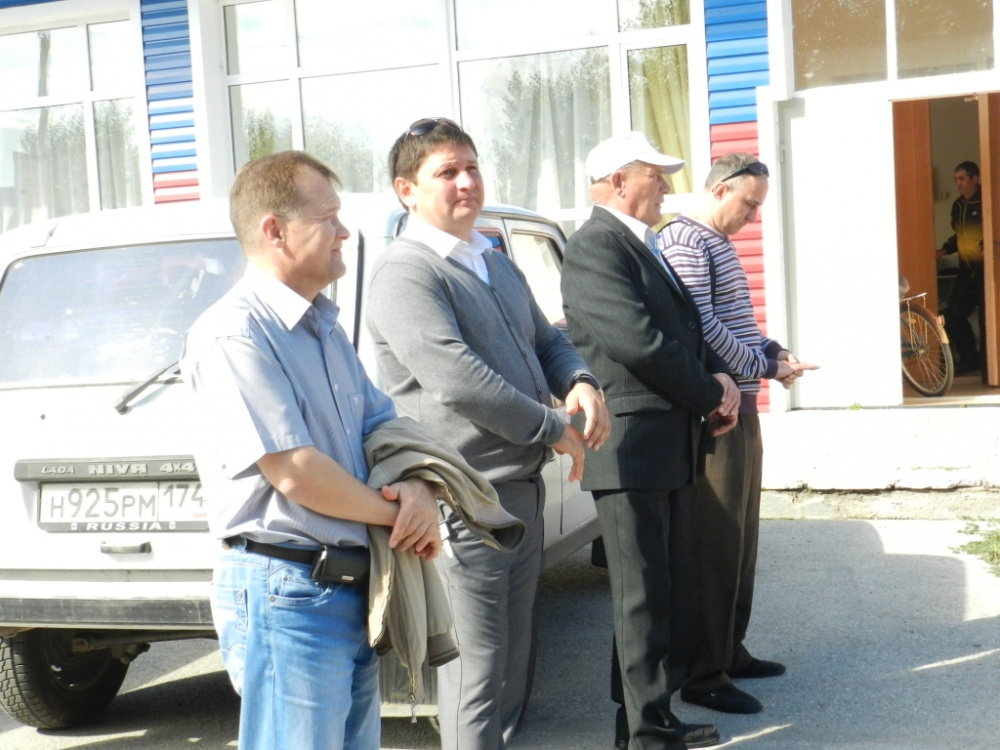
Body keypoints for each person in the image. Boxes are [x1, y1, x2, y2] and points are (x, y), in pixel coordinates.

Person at [181, 150, 442, 750]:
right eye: (329, 219)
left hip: (343, 589)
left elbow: (383, 426)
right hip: (289, 594)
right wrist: (403, 516)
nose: (343, 232)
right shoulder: (234, 333)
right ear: (275, 230)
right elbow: (295, 472)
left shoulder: (322, 326)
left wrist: (418, 486)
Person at [366, 117, 610, 750]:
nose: (466, 182)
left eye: (471, 167)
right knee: (474, 674)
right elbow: (458, 380)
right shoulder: (406, 272)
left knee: (510, 662)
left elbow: (547, 339)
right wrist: (553, 427)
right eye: (447, 172)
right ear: (406, 190)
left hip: (519, 488)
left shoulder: (492, 261)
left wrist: (579, 380)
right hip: (462, 500)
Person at [561, 131, 741, 750]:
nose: (665, 185)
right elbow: (639, 343)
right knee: (640, 600)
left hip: (663, 446)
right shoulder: (595, 246)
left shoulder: (640, 242)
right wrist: (709, 391)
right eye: (653, 174)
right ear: (617, 181)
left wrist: (715, 380)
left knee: (659, 595)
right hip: (631, 450)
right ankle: (648, 736)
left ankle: (646, 722)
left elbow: (680, 332)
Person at [659, 152, 818, 716]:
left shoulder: (718, 243)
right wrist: (766, 366)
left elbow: (737, 324)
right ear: (721, 189)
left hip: (741, 407)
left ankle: (730, 650)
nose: (753, 216)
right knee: (715, 545)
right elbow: (701, 330)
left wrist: (775, 352)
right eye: (749, 204)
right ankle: (703, 674)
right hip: (715, 414)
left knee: (742, 541)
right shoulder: (685, 241)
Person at [935, 161, 983, 374]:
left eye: (962, 179)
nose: (958, 183)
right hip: (966, 271)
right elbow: (960, 235)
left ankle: (989, 363)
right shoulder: (957, 205)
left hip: (985, 270)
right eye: (956, 179)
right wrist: (945, 249)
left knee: (987, 319)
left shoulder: (987, 200)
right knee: (952, 316)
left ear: (974, 179)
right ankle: (969, 359)